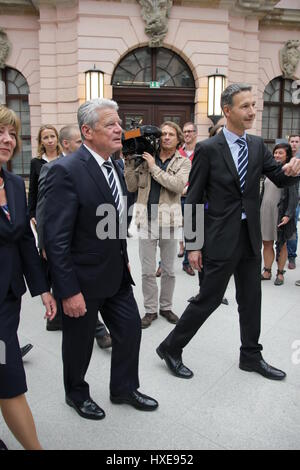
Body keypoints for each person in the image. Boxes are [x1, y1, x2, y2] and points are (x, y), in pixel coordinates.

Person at [156, 83, 300, 381]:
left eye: (253, 105)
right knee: (209, 299)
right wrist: (194, 245)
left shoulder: (258, 145)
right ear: (227, 111)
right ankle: (170, 347)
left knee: (251, 299)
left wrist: (291, 172)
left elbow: (278, 177)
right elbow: (193, 198)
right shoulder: (209, 150)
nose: (251, 111)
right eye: (244, 106)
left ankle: (250, 355)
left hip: (249, 236)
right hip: (219, 238)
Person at [43, 98, 158, 420]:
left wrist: (122, 256)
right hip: (81, 280)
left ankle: (123, 388)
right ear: (87, 131)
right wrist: (68, 290)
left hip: (116, 274)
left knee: (130, 331)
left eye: (119, 122)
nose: (120, 129)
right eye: (110, 124)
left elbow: (112, 219)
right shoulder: (64, 171)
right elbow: (56, 239)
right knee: (79, 345)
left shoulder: (116, 166)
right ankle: (76, 394)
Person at [0, 105, 56, 449]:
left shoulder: (13, 184)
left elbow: (23, 242)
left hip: (7, 300)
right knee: (8, 376)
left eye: (11, 133)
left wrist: (43, 290)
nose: (7, 139)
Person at [36, 125, 112, 348]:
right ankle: (98, 331)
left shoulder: (95, 167)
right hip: (63, 241)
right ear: (66, 144)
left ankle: (58, 319)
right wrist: (43, 242)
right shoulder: (52, 168)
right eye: (79, 142)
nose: (84, 146)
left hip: (86, 241)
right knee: (71, 287)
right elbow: (42, 208)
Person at [124, 121, 191, 329]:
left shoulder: (183, 162)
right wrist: (129, 162)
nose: (167, 137)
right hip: (146, 220)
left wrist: (153, 167)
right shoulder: (145, 157)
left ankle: (166, 307)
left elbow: (178, 185)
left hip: (169, 221)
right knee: (146, 270)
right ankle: (151, 310)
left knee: (169, 270)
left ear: (179, 139)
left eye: (171, 134)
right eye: (164, 134)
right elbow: (131, 186)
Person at [260, 143, 298, 285]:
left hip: (280, 213)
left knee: (281, 244)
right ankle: (267, 270)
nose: (276, 155)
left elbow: (294, 197)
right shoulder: (267, 171)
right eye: (275, 153)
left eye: (280, 153)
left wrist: (288, 215)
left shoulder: (289, 173)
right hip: (265, 212)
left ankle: (280, 273)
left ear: (287, 155)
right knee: (267, 243)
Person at [28, 125, 61, 227]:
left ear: (57, 138)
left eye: (52, 136)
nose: (50, 140)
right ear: (41, 141)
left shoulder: (65, 159)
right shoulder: (35, 162)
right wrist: (32, 213)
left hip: (63, 208)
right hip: (44, 210)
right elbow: (33, 189)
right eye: (45, 138)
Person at [179, 122, 198, 276]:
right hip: (176, 196)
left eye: (190, 131)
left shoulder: (201, 152)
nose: (187, 134)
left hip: (194, 196)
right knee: (169, 231)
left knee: (192, 231)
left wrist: (190, 187)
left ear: (195, 133)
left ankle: (187, 263)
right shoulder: (178, 153)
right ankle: (162, 264)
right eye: (185, 132)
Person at [286, 134, 300, 270]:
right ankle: (280, 253)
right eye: (292, 141)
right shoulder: (284, 157)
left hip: (295, 199)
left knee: (292, 227)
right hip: (282, 198)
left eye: (297, 141)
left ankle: (291, 256)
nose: (294, 144)